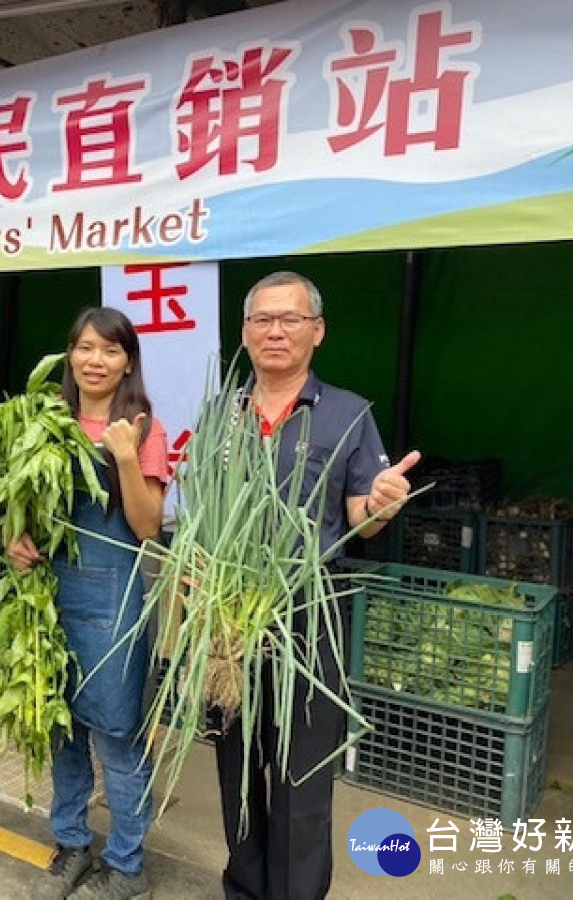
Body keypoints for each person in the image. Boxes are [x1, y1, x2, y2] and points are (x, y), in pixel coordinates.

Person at [216, 271, 420, 900]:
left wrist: (383, 504)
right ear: (245, 333)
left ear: (317, 332)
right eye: (262, 320)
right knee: (238, 766)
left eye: (291, 319)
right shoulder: (221, 408)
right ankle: (244, 887)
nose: (276, 331)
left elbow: (361, 519)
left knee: (302, 773)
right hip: (228, 619)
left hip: (309, 615)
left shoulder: (347, 413)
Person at [9, 307, 169, 900]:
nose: (94, 361)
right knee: (62, 732)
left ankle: (127, 865)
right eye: (84, 348)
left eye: (109, 350)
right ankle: (72, 844)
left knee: (120, 739)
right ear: (69, 355)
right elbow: (20, 504)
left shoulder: (144, 429)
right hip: (48, 602)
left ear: (127, 360)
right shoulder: (45, 423)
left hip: (113, 604)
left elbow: (149, 526)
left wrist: (125, 456)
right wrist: (13, 536)